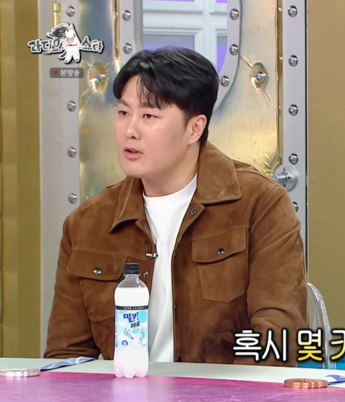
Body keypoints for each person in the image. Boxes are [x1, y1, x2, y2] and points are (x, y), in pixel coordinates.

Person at [44, 47, 308, 366]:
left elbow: (278, 339)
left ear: (194, 128)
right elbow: (66, 357)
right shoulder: (87, 223)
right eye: (123, 113)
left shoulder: (259, 204)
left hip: (227, 390)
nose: (130, 130)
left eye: (149, 116)